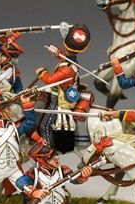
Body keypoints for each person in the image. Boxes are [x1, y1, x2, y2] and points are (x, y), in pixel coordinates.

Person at [34, 23, 95, 152]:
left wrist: (41, 72)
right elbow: (64, 57)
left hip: (60, 98)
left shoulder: (67, 69)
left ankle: (48, 150)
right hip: (65, 90)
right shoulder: (71, 61)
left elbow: (50, 80)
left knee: (45, 125)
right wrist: (56, 51)